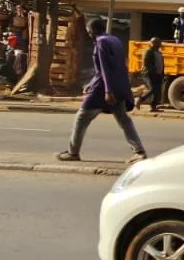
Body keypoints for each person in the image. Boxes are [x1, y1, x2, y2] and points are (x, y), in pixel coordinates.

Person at [58, 17, 145, 164]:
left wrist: (107, 91)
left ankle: (73, 152)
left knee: (81, 117)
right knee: (123, 119)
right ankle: (139, 151)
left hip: (104, 89)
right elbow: (114, 66)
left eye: (88, 31)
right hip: (119, 86)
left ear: (91, 31)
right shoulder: (114, 40)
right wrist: (92, 83)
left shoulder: (101, 42)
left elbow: (105, 68)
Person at [141, 38, 167, 113]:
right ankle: (140, 99)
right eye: (158, 43)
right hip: (149, 73)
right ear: (153, 43)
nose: (160, 45)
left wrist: (162, 73)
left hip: (158, 74)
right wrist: (153, 71)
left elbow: (162, 64)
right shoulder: (148, 51)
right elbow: (146, 64)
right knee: (152, 88)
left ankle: (153, 107)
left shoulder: (158, 52)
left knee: (157, 90)